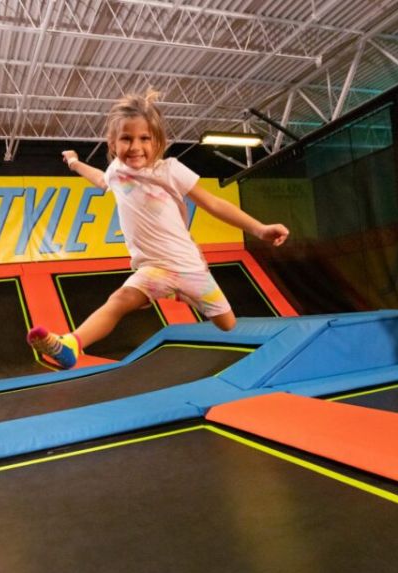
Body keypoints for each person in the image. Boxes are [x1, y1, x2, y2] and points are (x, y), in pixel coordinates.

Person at [27, 90, 289, 369]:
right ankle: (71, 344)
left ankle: (180, 292)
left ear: (158, 142)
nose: (135, 146)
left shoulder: (170, 170)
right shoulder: (116, 172)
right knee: (120, 299)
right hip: (153, 269)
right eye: (126, 138)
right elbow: (99, 179)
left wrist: (259, 229)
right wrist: (74, 162)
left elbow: (212, 203)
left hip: (190, 268)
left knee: (227, 324)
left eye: (144, 138)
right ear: (113, 143)